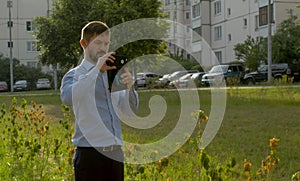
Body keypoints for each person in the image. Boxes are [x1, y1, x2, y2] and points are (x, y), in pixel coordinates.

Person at [60, 21, 138, 181]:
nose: (103, 48)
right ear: (84, 43)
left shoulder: (113, 75)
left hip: (115, 154)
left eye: (106, 43)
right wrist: (96, 70)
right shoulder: (74, 75)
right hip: (90, 155)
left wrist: (130, 87)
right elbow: (68, 98)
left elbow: (129, 110)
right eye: (97, 43)